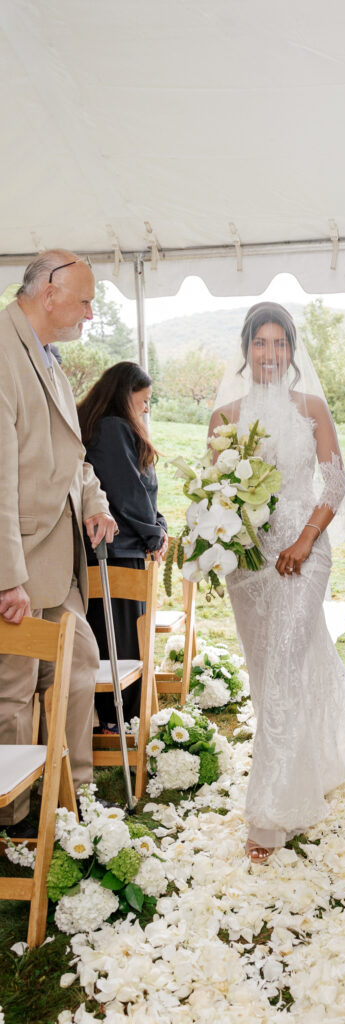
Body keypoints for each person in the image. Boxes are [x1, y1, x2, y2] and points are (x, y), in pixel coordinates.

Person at [209, 301, 345, 863]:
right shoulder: (225, 417)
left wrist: (306, 539)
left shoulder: (311, 407)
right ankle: (306, 759)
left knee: (285, 661)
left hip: (303, 552)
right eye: (259, 343)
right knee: (269, 677)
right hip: (248, 561)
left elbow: (334, 486)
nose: (269, 353)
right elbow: (214, 494)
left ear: (291, 351)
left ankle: (270, 815)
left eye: (278, 343)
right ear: (246, 350)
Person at [0, 250, 117, 831]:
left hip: (59, 557)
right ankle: (20, 825)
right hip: (18, 568)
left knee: (78, 666)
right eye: (86, 300)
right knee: (14, 695)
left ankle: (72, 802)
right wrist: (7, 578)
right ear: (49, 293)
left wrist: (94, 501)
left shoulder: (49, 356)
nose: (91, 313)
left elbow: (70, 453)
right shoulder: (1, 351)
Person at [78, 362, 168, 730]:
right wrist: (152, 534)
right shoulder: (112, 428)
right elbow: (126, 492)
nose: (146, 407)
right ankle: (120, 722)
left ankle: (127, 720)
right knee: (120, 641)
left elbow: (144, 492)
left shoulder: (115, 427)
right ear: (123, 394)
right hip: (115, 551)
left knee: (127, 636)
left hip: (127, 547)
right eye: (143, 399)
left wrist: (159, 525)